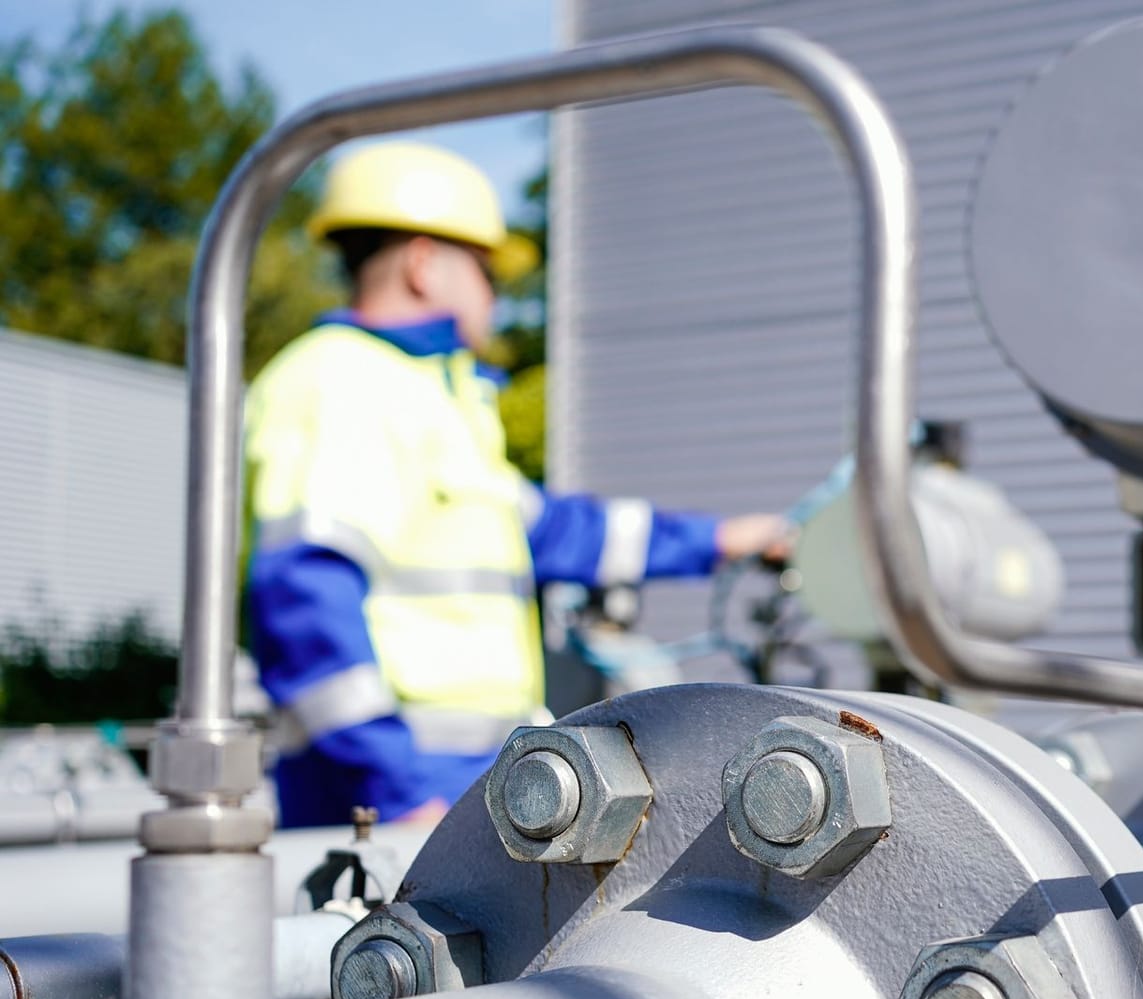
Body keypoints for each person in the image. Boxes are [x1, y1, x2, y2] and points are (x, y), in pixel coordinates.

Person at [245, 140, 788, 827]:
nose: (495, 299)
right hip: (384, 799)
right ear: (422, 263)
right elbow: (303, 601)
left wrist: (720, 540)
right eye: (486, 273)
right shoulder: (338, 382)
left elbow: (556, 532)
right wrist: (395, 791)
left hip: (458, 786)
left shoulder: (440, 398)